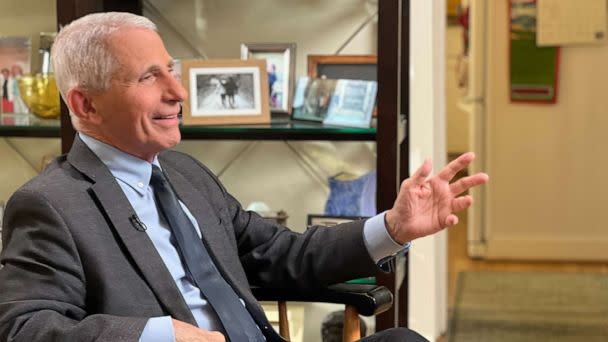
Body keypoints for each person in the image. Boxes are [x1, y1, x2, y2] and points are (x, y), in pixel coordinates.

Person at [0, 12, 488, 342]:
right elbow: (25, 327)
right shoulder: (50, 204)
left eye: (171, 71)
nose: (179, 92)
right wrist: (158, 334)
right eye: (150, 77)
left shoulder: (186, 173)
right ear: (85, 104)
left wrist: (394, 227)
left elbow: (283, 255)